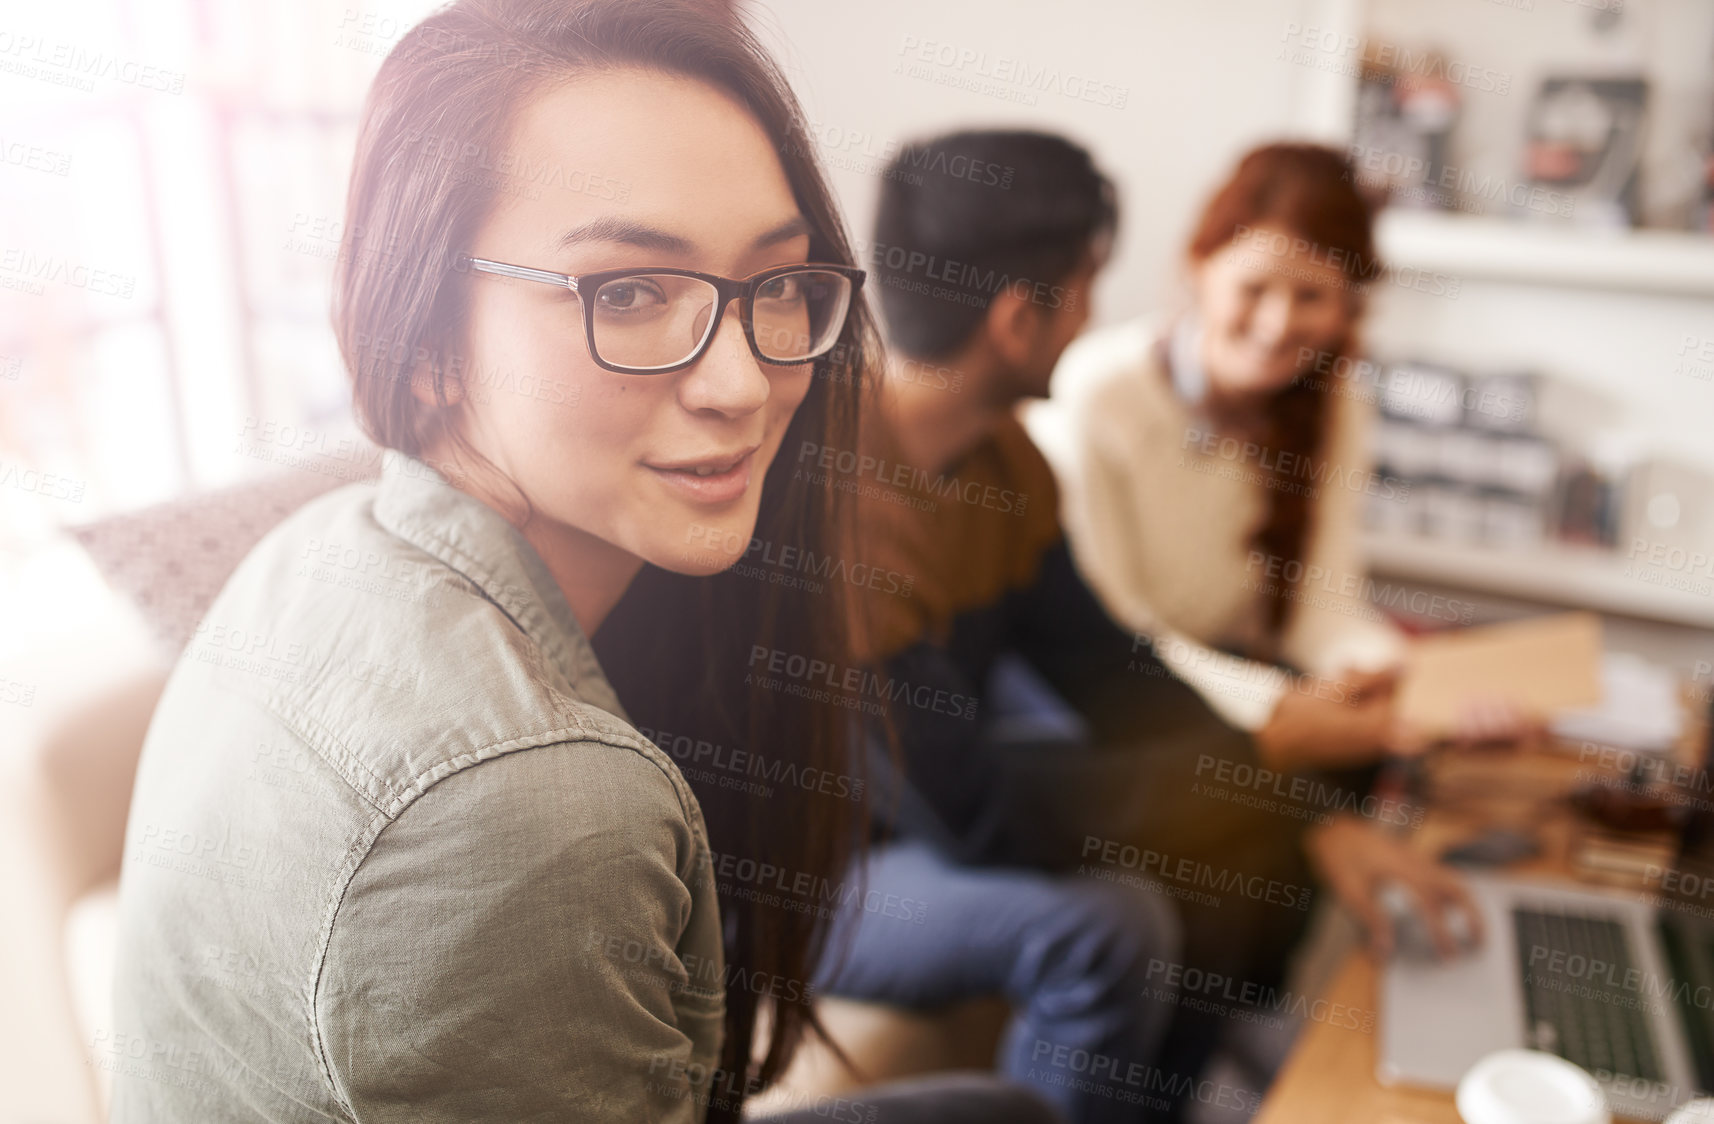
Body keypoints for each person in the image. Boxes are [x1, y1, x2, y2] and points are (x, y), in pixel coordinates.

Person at [109, 4, 1058, 1122]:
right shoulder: (530, 807)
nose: (742, 385)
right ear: (426, 344)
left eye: (776, 283)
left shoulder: (314, 544)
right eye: (629, 291)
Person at [815, 131, 1478, 1124]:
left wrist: (1290, 804)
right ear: (1014, 318)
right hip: (805, 871)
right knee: (1109, 920)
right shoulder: (845, 507)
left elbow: (1110, 670)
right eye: (1085, 285)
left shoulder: (1004, 466)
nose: (1091, 315)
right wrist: (1256, 778)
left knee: (1204, 822)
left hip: (934, 813)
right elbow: (968, 811)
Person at [1024, 141, 1530, 773]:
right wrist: (1292, 706)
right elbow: (1118, 639)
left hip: (1258, 688)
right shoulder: (1097, 391)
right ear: (1199, 268)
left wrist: (1402, 682)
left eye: (1312, 297)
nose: (1276, 324)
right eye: (1254, 288)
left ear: (1349, 305)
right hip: (1129, 703)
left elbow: (1323, 608)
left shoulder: (1339, 399)